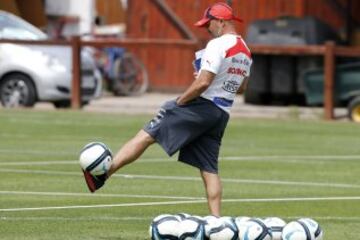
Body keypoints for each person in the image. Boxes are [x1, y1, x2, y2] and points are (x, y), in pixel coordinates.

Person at [82, 2, 252, 217]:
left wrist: (180, 101)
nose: (207, 29)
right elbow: (242, 87)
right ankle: (216, 222)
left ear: (221, 21)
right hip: (221, 113)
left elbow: (203, 83)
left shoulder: (217, 45)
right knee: (209, 168)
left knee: (147, 135)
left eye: (209, 24)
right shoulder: (245, 50)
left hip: (200, 105)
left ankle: (102, 175)